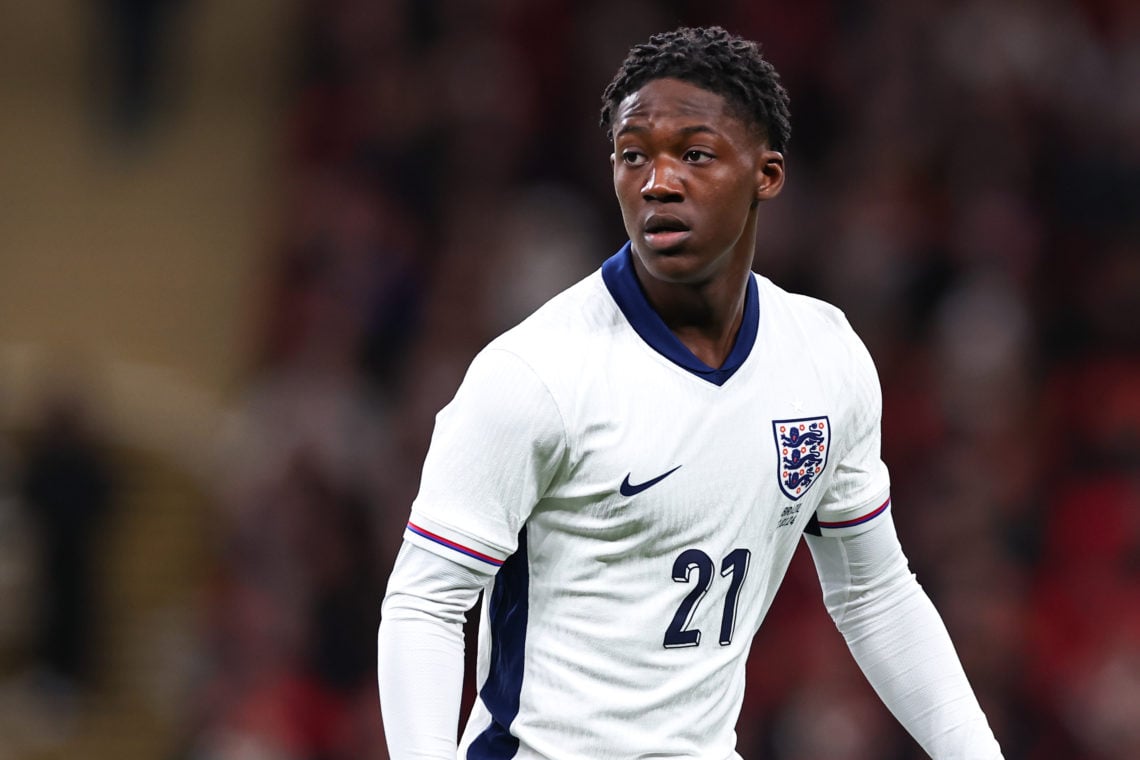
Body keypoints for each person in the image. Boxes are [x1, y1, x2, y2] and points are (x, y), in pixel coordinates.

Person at [377, 26, 1004, 759]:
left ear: (766, 175)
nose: (657, 182)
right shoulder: (536, 374)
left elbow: (874, 594)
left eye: (694, 154)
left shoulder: (824, 358)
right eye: (633, 155)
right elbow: (425, 602)